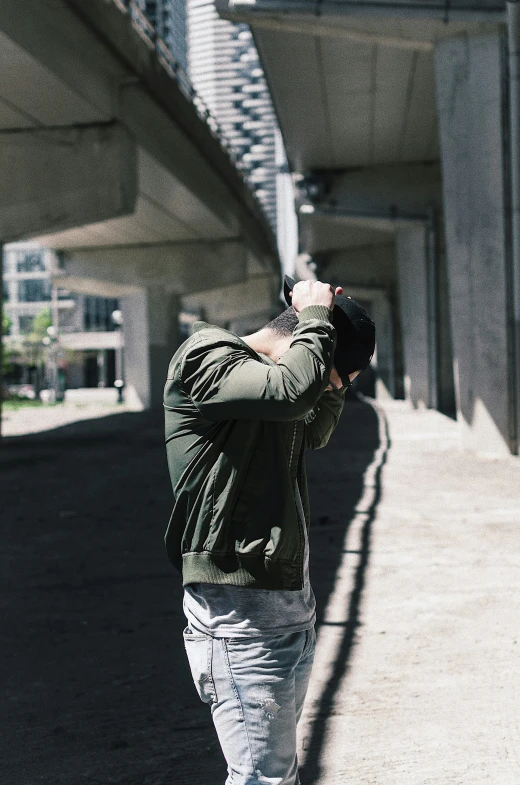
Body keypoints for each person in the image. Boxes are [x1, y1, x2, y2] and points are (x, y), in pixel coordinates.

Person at [163, 276, 376, 785]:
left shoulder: (276, 392)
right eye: (330, 379)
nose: (327, 391)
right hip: (239, 614)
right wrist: (318, 321)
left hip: (287, 608)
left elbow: (315, 427)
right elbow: (292, 392)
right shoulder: (208, 356)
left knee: (276, 772)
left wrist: (332, 373)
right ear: (306, 343)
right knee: (262, 777)